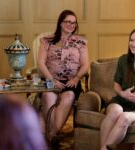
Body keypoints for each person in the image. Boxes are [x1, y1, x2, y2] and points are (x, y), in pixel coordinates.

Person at [37, 9, 89, 144]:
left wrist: (76, 78)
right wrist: (51, 80)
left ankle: (51, 134)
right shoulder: (46, 41)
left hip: (71, 82)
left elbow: (85, 65)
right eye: (68, 22)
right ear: (60, 23)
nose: (71, 25)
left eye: (74, 23)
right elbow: (41, 63)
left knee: (69, 96)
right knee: (48, 96)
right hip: (50, 79)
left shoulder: (81, 42)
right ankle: (51, 135)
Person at [100, 29, 135, 150]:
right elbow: (116, 85)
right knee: (115, 111)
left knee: (124, 117)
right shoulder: (123, 60)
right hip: (121, 100)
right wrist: (123, 94)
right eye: (131, 40)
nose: (133, 44)